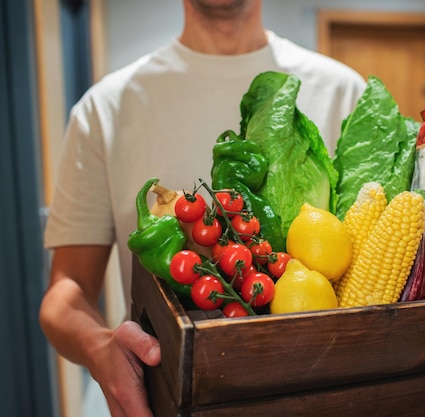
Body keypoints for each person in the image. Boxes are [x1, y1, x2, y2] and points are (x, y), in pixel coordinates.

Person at [39, 1, 366, 416]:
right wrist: (99, 348)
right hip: (172, 398)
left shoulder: (342, 90)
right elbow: (64, 294)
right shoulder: (103, 108)